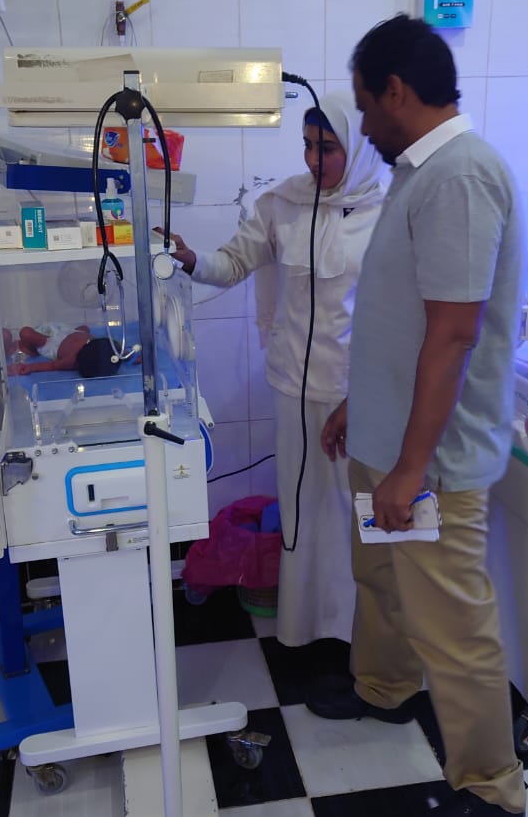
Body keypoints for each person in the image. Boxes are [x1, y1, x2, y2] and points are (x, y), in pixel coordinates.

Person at [313, 14, 527, 817]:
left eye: (365, 104)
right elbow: (399, 320)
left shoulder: (460, 177)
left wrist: (410, 468)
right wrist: (356, 407)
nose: (361, 124)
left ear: (396, 91)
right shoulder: (418, 172)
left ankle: (491, 787)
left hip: (429, 461)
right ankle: (386, 687)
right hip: (385, 440)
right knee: (381, 577)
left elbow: (452, 335)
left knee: (452, 622)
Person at [166, 90, 388, 649]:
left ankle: (357, 633)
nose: (313, 160)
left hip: (356, 393)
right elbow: (233, 262)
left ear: (357, 149)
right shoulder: (283, 203)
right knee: (301, 505)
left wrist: (364, 394)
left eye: (327, 148)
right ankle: (304, 626)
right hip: (293, 385)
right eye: (308, 146)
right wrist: (191, 260)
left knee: (351, 509)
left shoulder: (387, 215)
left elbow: (398, 322)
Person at [4, 324, 114, 377]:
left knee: (26, 333)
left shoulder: (71, 360)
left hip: (51, 343)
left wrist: (29, 368)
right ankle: (26, 345)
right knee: (85, 327)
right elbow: (114, 350)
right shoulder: (96, 345)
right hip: (69, 331)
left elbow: (51, 366)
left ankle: (30, 348)